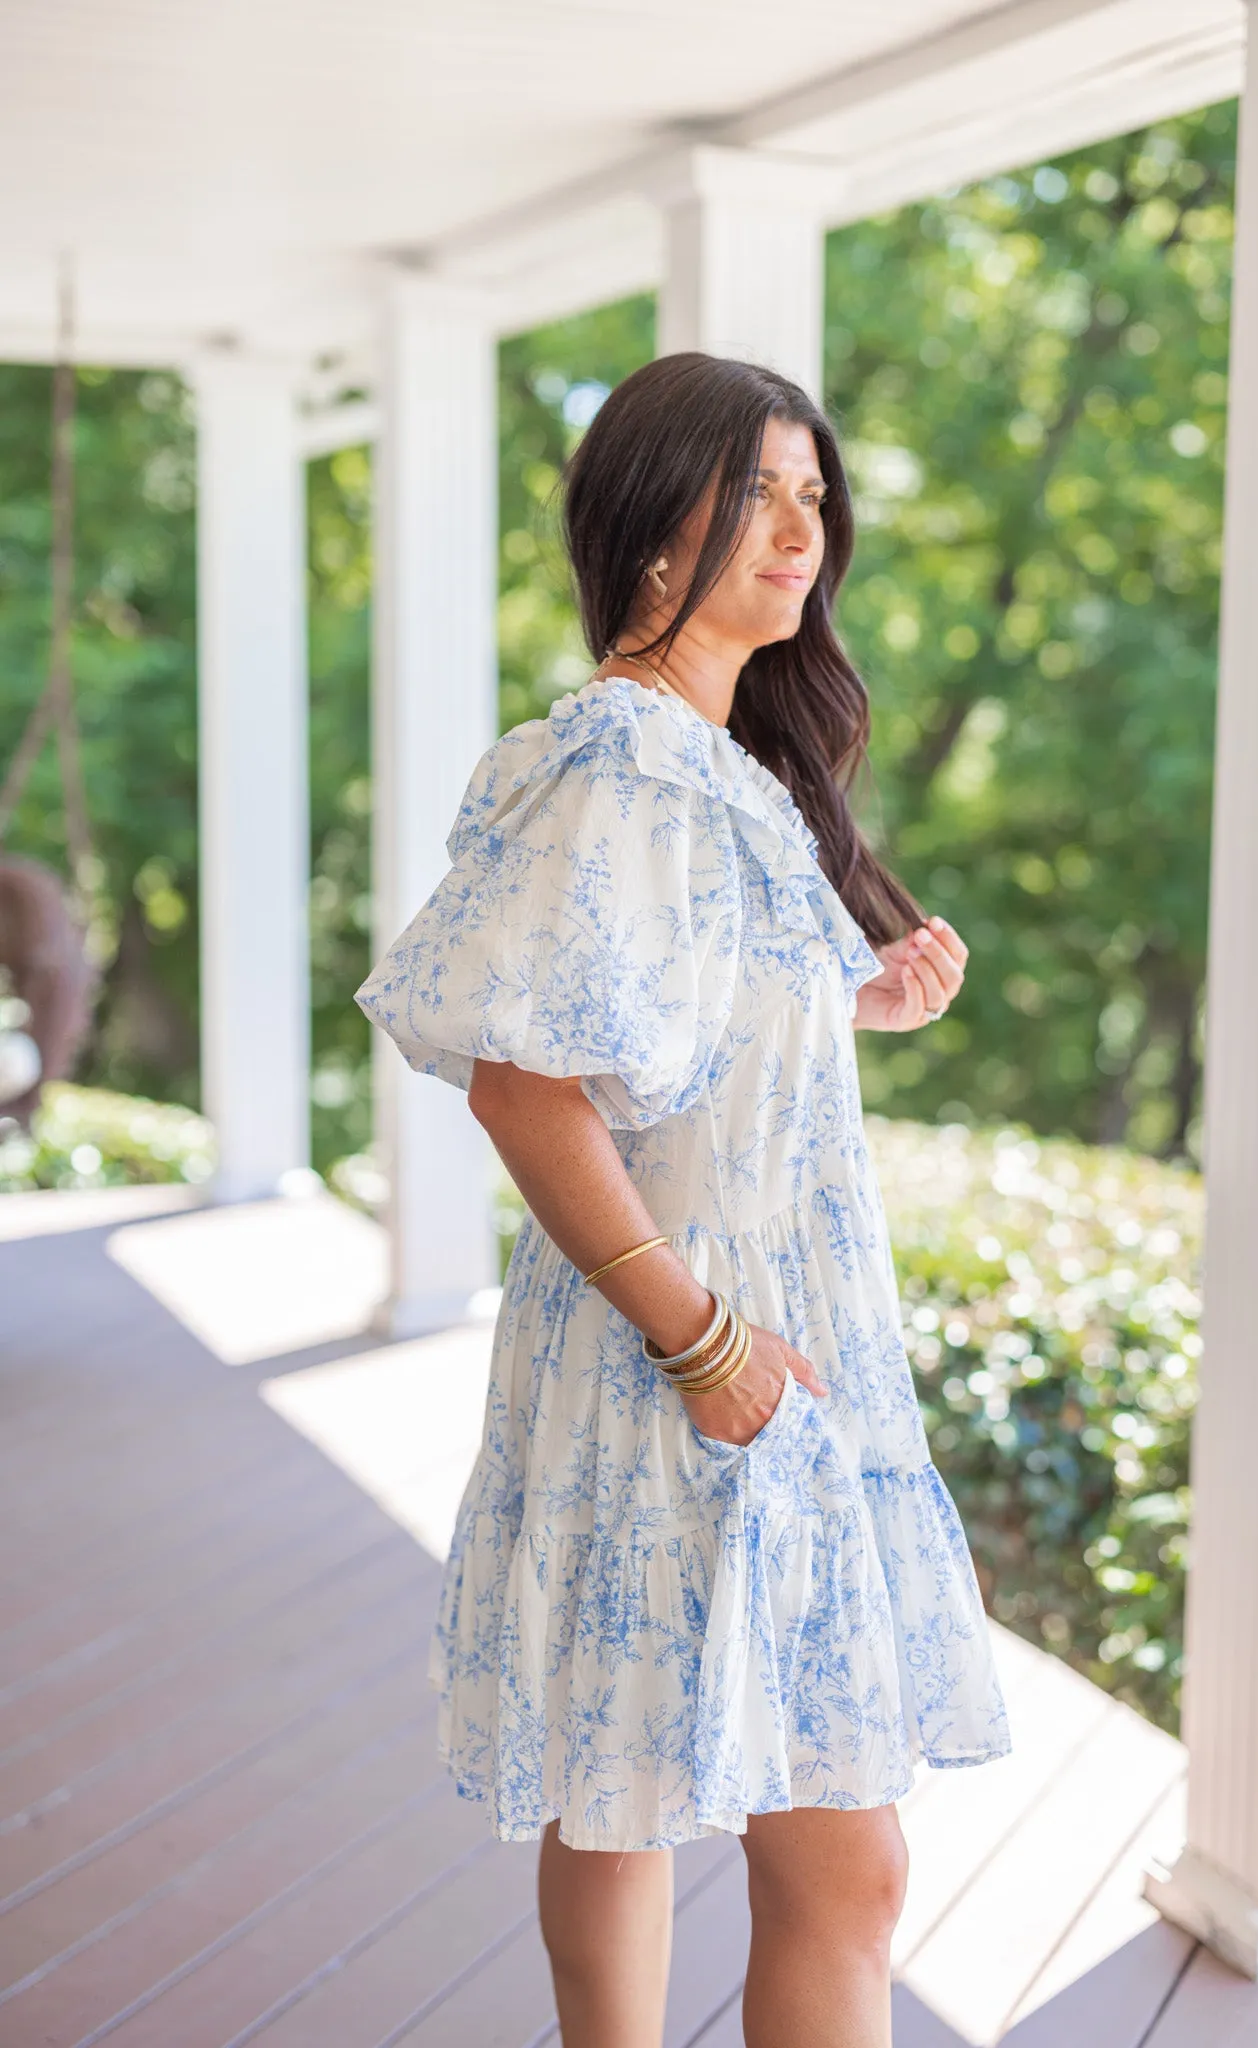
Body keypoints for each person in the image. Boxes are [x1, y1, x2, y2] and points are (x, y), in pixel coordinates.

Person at [356, 351, 1010, 2048]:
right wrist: (703, 1340)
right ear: (655, 529)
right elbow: (523, 1080)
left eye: (814, 493)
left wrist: (843, 1000)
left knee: (691, 1802)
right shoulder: (619, 761)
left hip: (761, 1351)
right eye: (759, 491)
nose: (801, 527)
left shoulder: (724, 768)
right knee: (724, 1821)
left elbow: (654, 1039)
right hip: (693, 1353)